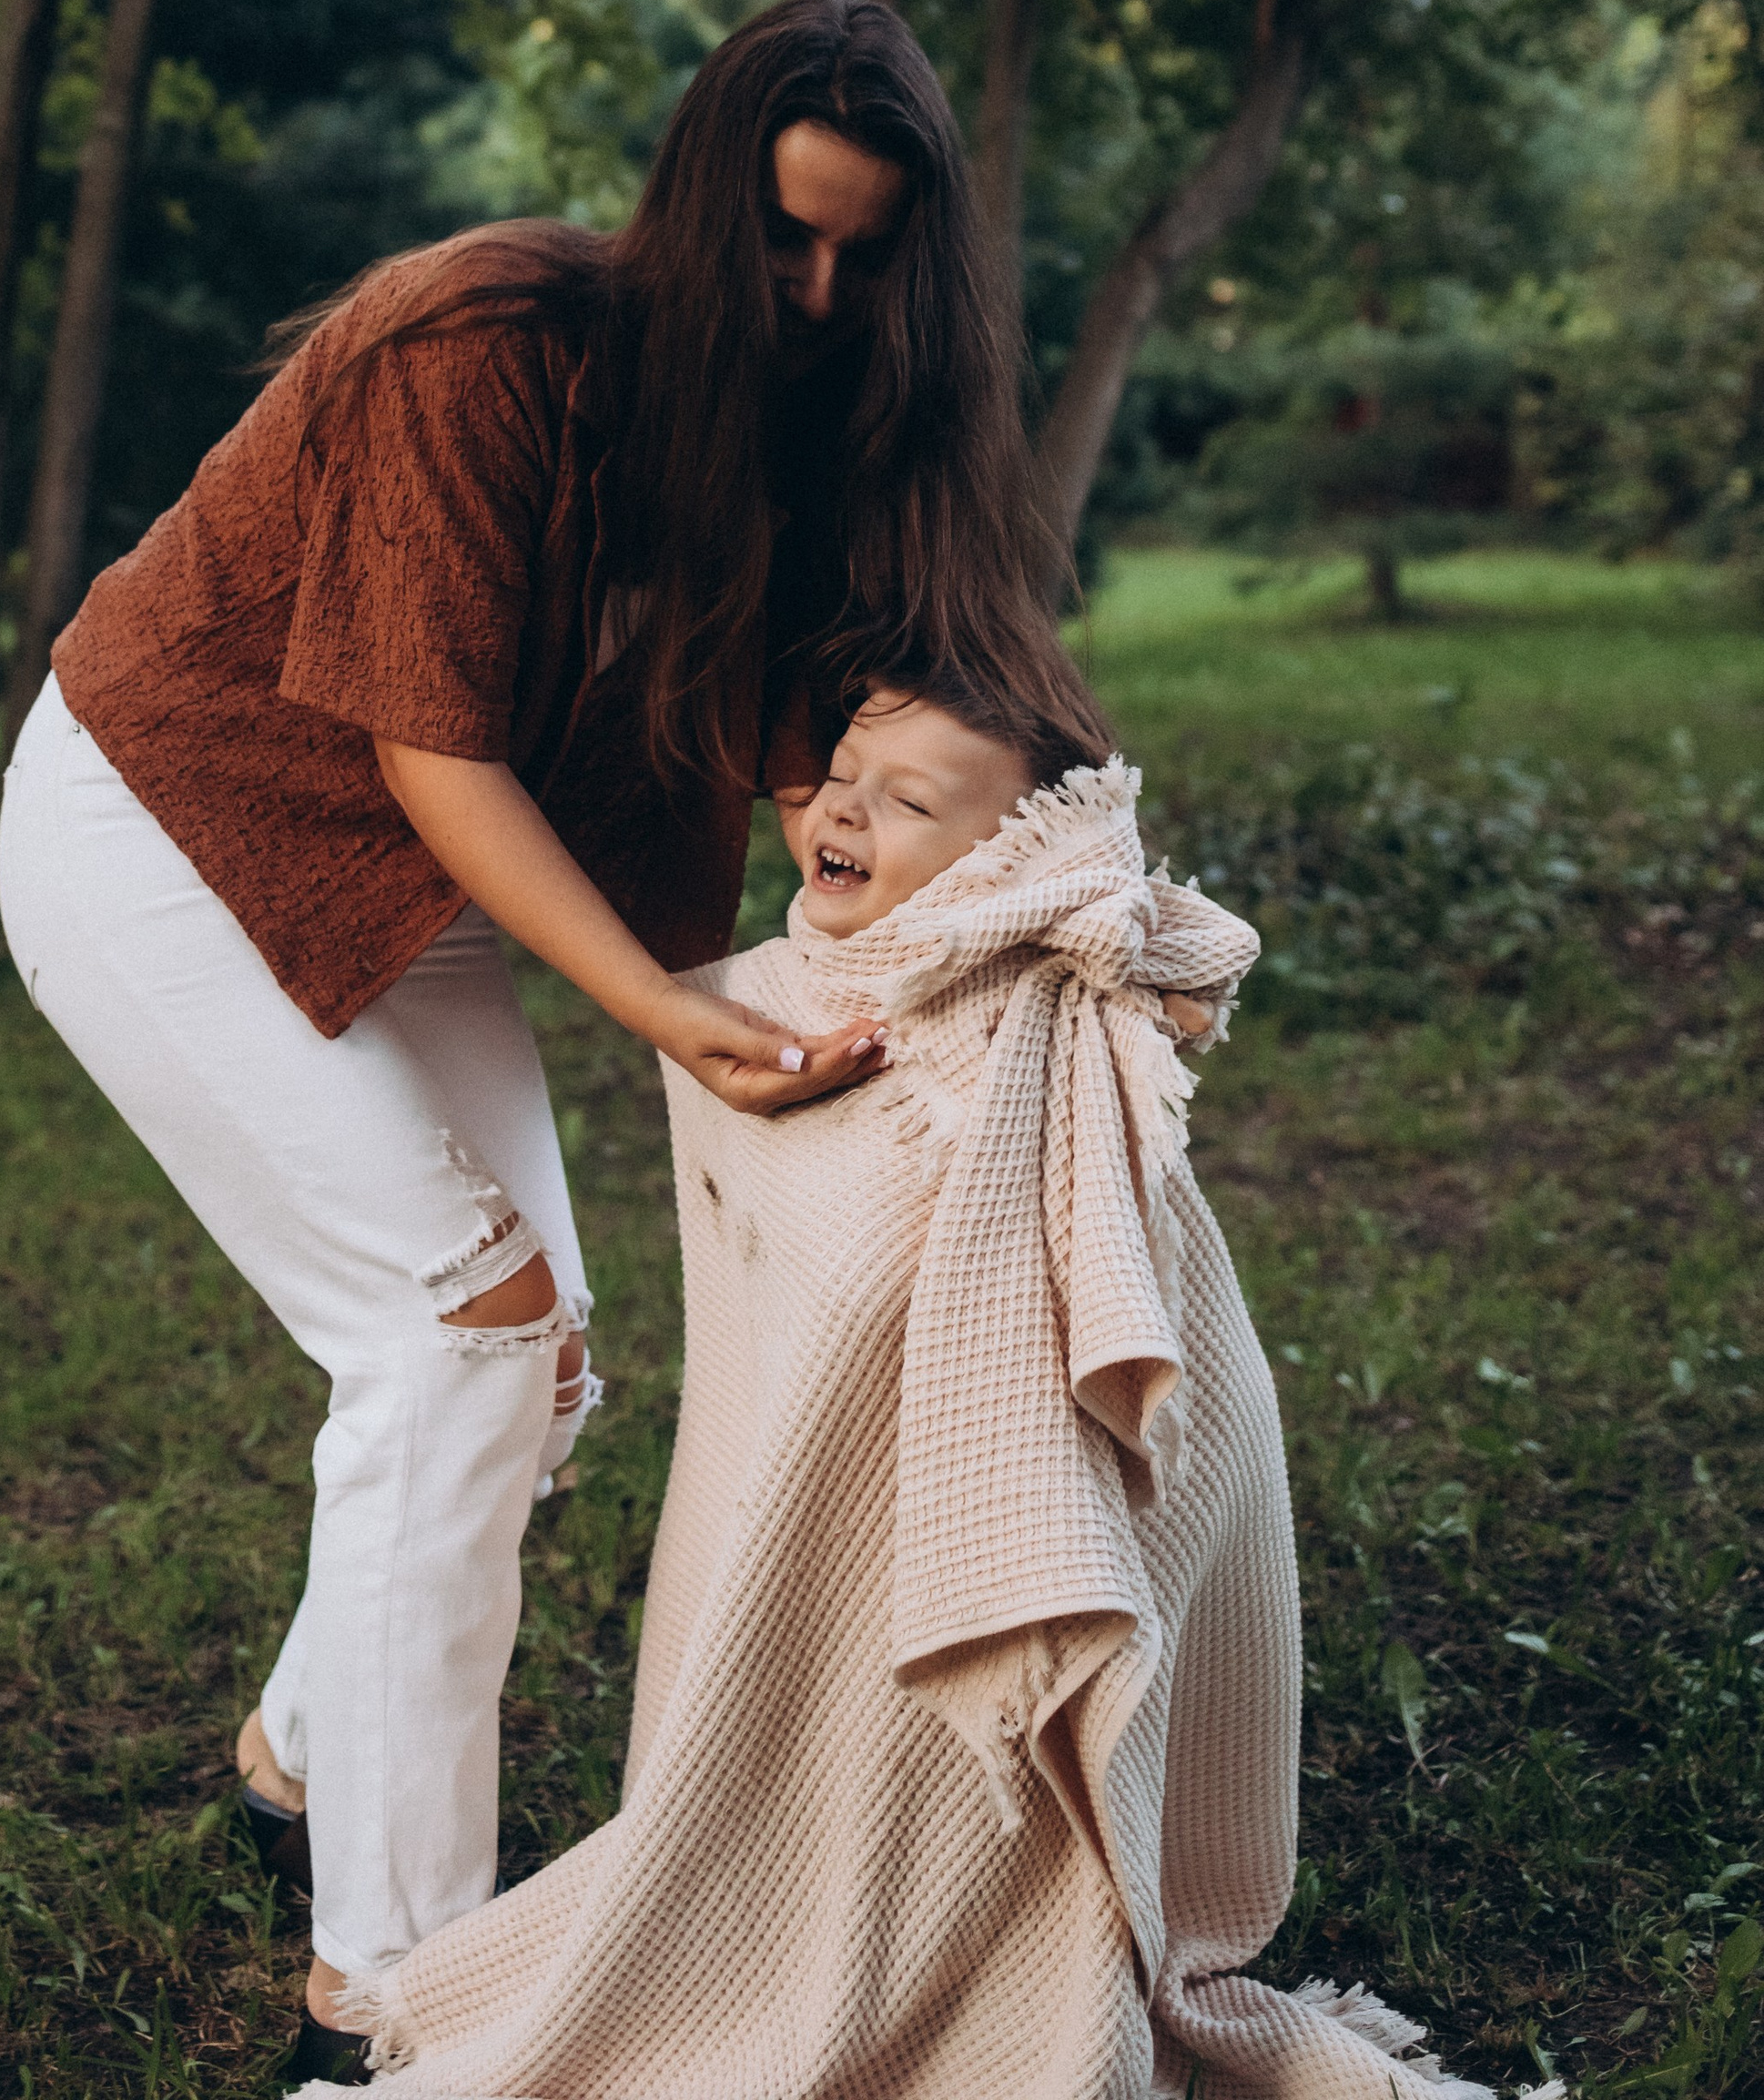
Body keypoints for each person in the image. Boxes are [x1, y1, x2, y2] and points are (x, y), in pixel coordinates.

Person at [0, 0, 1096, 2077]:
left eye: (868, 255)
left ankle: (304, 1756)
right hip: (164, 813)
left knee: (537, 1363)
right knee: (460, 1332)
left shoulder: (844, 409)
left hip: (410, 877)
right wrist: (659, 1005)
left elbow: (858, 726)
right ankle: (399, 2002)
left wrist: (1062, 902)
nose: (820, 292)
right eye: (785, 238)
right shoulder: (475, 342)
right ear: (700, 197)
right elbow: (431, 749)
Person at [320, 685, 1496, 2100]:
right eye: (843, 774)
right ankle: (777, 1845)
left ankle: (996, 1900)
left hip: (1031, 1494)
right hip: (813, 1511)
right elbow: (770, 1307)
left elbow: (1126, 1313)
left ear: (1010, 864)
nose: (845, 808)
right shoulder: (757, 1004)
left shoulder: (1028, 1059)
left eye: (913, 801)